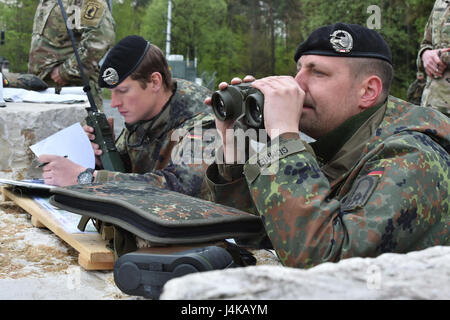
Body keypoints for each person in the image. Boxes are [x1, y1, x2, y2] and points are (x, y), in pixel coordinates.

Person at [205, 23, 450, 269]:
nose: (297, 84)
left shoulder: (411, 156)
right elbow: (273, 236)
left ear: (367, 91)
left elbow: (325, 262)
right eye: (298, 70)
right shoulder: (343, 141)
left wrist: (284, 140)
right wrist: (234, 144)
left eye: (318, 73)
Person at [38, 35, 216, 199]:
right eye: (112, 93)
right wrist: (103, 159)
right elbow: (131, 173)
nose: (114, 103)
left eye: (122, 91)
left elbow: (180, 189)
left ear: (155, 82)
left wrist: (86, 178)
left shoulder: (204, 121)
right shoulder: (144, 113)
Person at [27, 0, 115, 108]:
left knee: (81, 125)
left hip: (73, 93)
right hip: (44, 91)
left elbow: (99, 38)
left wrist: (66, 72)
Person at [416, 0, 450, 116]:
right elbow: (426, 44)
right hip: (431, 108)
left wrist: (442, 57)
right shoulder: (440, 2)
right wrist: (425, 54)